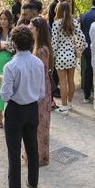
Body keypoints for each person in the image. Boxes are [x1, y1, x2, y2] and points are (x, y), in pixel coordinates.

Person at [0, 26, 45, 188]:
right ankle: (33, 183)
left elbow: (5, 95)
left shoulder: (11, 66)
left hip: (16, 110)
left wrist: (4, 82)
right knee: (32, 148)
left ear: (14, 43)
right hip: (32, 108)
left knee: (14, 151)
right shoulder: (38, 62)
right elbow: (41, 92)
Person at [51, 1, 87, 114]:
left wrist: (53, 56)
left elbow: (54, 43)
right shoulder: (74, 22)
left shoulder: (56, 24)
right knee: (71, 80)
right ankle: (70, 104)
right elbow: (82, 38)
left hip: (60, 56)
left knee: (62, 82)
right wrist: (79, 49)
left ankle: (64, 106)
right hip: (71, 55)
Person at [29, 17, 53, 166]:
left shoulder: (42, 49)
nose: (30, 30)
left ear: (38, 30)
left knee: (41, 124)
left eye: (32, 28)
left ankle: (40, 157)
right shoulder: (39, 46)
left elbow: (41, 72)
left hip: (41, 88)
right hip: (41, 87)